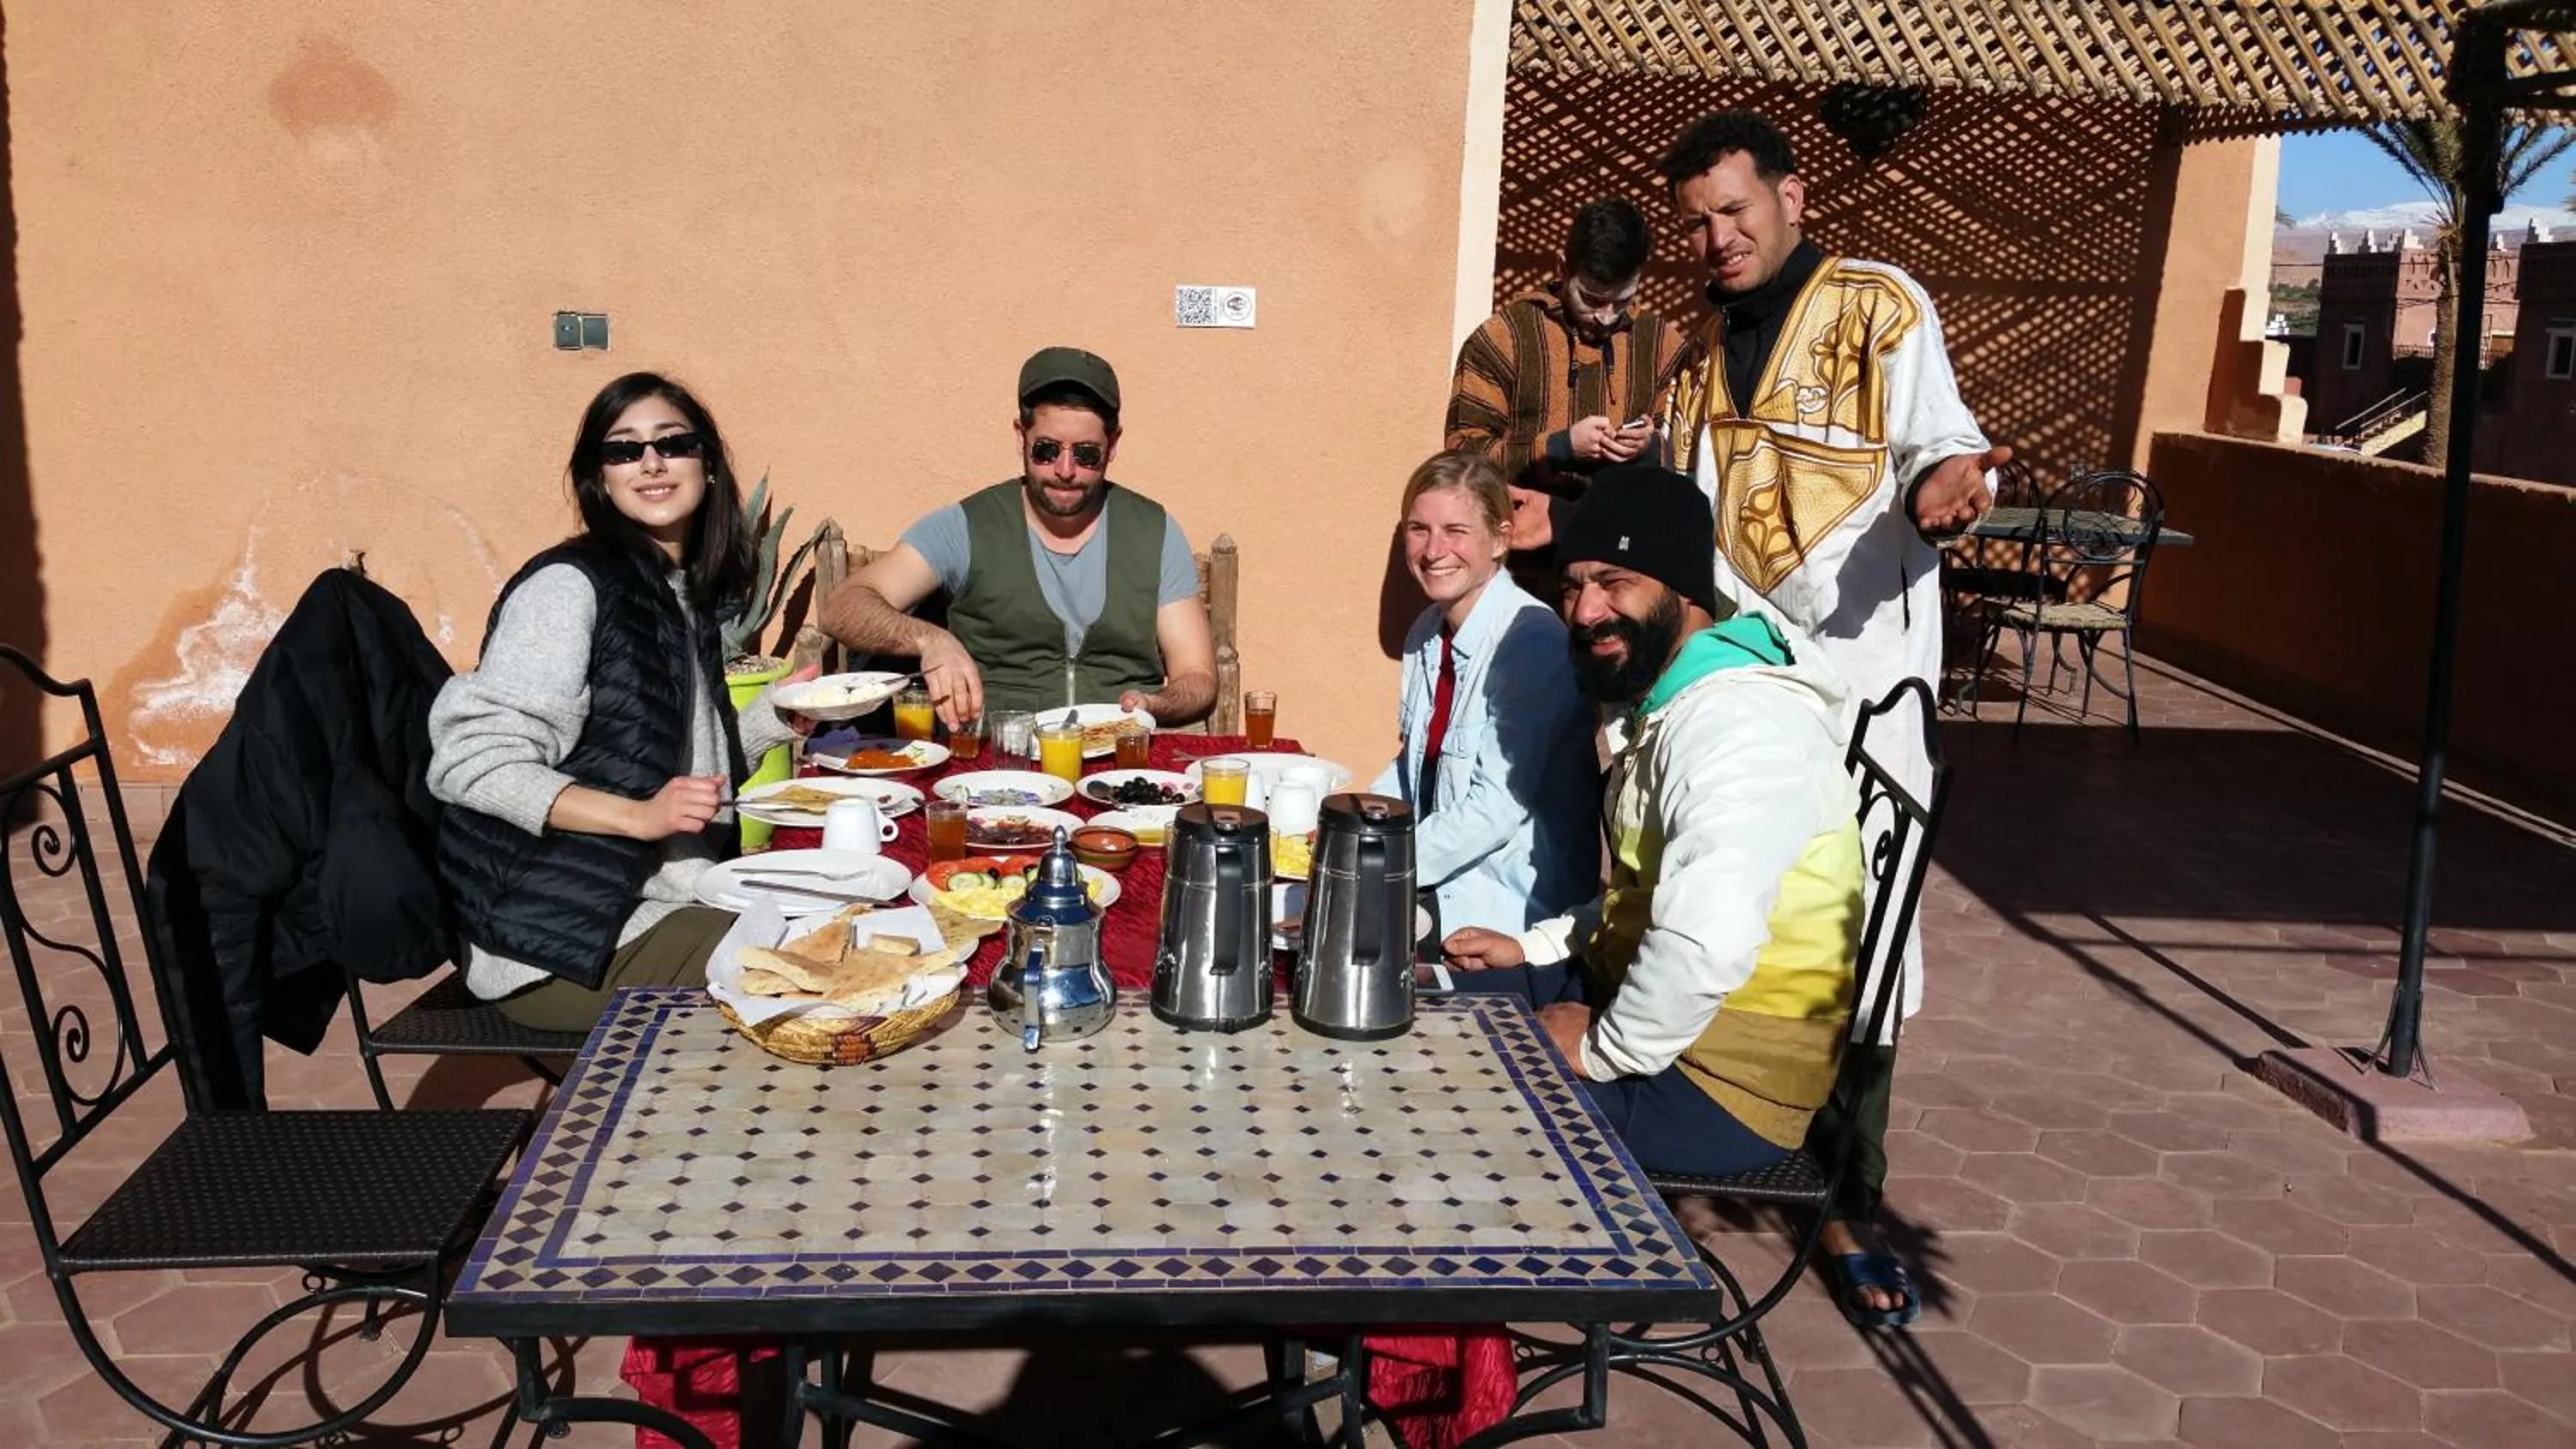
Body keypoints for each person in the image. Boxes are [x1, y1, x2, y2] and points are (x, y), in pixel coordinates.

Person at [1656, 109, 2008, 1326]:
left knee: (1863, 955)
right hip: (1746, 708)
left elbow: (1942, 442)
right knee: (1721, 915)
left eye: (1734, 211)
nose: (1716, 237)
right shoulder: (1698, 354)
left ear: (1793, 199)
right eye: (1697, 220)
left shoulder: (1879, 306)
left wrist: (1950, 490)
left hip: (1867, 708)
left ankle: (1849, 1200)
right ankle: (1714, 1150)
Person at [1443, 465, 1863, 1188]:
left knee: (1451, 1098)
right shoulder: (1674, 700)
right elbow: (1643, 897)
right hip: (1654, 1013)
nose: (1583, 611)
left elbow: (1707, 942)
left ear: (1685, 594)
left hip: (1724, 1088)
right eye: (1572, 585)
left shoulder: (1737, 727)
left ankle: (1458, 1280)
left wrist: (1597, 1052)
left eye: (1615, 581)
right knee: (1437, 1006)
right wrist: (1534, 944)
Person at [429, 373, 809, 1030]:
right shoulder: (569, 588)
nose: (652, 463)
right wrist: (637, 818)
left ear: (709, 466)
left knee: (842, 921)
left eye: (672, 443)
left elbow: (677, 769)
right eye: (623, 450)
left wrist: (776, 717)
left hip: (643, 905)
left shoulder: (676, 593)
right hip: (558, 942)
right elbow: (471, 763)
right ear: (598, 479)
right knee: (813, 976)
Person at [820, 347, 1216, 728]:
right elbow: (843, 607)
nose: (1065, 469)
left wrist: (1155, 705)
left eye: (1086, 454)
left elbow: (1196, 675)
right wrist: (928, 639)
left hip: (1118, 761)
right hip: (998, 761)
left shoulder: (1153, 531)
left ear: (1112, 447)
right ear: (1019, 437)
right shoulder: (967, 526)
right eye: (1046, 450)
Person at [1366, 451, 1596, 936]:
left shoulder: (1531, 643)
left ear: (1500, 539)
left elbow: (1494, 811)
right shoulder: (1426, 633)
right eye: (1418, 529)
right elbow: (1416, 768)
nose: (1433, 551)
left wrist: (1374, 864)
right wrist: (1352, 829)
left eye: (1455, 531)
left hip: (1513, 909)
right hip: (1440, 881)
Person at [1445, 198, 1691, 597]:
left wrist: (1650, 447)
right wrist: (1559, 447)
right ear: (1562, 268)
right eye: (1592, 299)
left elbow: (1696, 461)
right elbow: (1462, 457)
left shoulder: (1664, 347)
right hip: (1516, 585)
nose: (1607, 316)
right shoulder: (1501, 340)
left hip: (1623, 584)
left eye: (1623, 300)